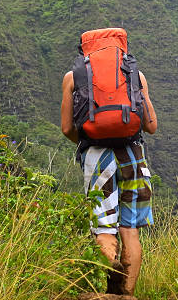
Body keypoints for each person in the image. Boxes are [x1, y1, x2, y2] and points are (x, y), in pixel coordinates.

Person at [61, 64, 157, 295]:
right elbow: (151, 125)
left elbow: (66, 128)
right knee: (130, 230)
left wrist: (87, 144)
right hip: (132, 155)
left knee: (104, 229)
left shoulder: (73, 77)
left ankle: (110, 277)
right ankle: (127, 294)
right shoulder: (135, 75)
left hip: (96, 157)